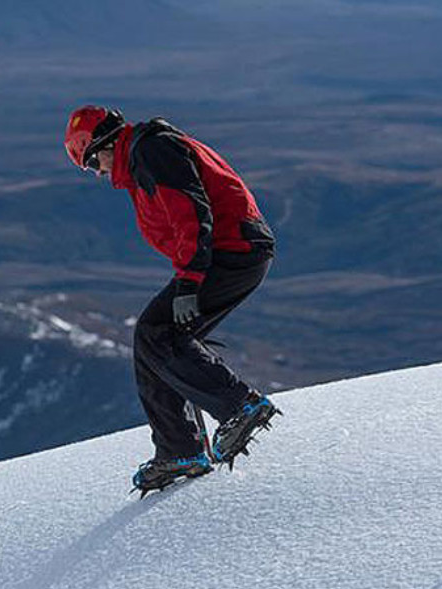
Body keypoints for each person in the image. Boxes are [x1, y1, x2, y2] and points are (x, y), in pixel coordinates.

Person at [64, 105, 281, 494]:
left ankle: (239, 407)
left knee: (157, 333)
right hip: (229, 254)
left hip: (232, 252)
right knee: (153, 339)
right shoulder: (143, 159)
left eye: (92, 162)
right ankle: (179, 450)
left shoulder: (152, 151)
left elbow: (190, 213)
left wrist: (189, 280)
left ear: (105, 145)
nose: (96, 172)